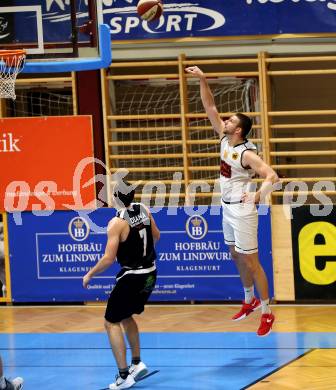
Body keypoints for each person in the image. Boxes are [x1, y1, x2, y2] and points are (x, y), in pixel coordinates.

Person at [185, 66, 279, 337]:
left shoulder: (247, 154)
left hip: (242, 209)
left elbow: (271, 175)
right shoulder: (224, 139)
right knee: (234, 254)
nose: (223, 121)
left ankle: (266, 312)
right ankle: (248, 299)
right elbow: (210, 105)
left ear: (238, 130)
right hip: (226, 206)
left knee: (252, 262)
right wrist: (203, 78)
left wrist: (259, 194)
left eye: (229, 121)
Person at [83, 181, 160, 389]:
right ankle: (136, 363)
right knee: (126, 315)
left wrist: (90, 274)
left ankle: (124, 375)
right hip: (151, 274)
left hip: (132, 277)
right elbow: (157, 236)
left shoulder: (116, 223)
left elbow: (108, 259)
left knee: (110, 322)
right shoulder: (144, 209)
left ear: (116, 198)